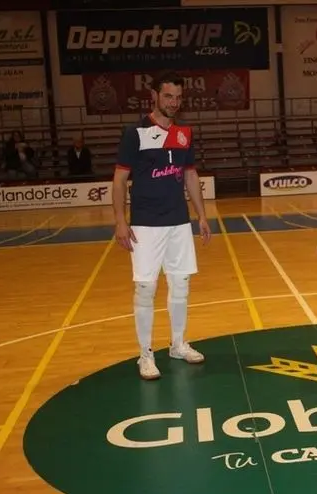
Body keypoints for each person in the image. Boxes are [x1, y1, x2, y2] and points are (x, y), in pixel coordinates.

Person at [112, 70, 212, 380]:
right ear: (154, 95)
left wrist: (201, 215)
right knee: (146, 288)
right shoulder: (135, 133)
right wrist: (120, 221)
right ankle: (145, 354)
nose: (174, 102)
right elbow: (119, 179)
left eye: (179, 97)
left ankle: (178, 344)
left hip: (178, 221)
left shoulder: (185, 133)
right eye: (168, 96)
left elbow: (190, 174)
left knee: (181, 284)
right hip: (145, 224)